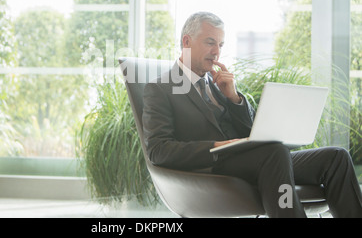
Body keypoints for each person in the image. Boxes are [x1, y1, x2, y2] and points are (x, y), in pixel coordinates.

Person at [142, 11, 362, 217]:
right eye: (210, 42)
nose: (217, 52)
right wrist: (216, 146)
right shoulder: (160, 88)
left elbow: (251, 132)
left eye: (220, 44)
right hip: (212, 166)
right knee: (275, 153)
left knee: (336, 157)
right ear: (186, 42)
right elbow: (158, 150)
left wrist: (234, 98)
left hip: (257, 160)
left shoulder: (219, 83)